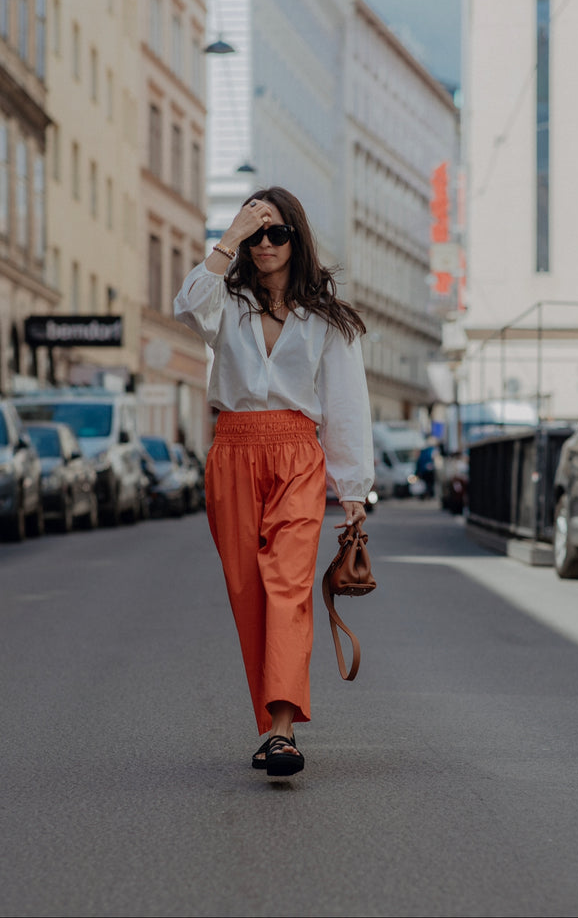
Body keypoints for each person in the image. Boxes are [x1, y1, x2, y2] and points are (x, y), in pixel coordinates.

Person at [173, 187, 373, 777]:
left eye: (275, 232)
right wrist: (227, 237)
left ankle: (283, 731)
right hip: (232, 451)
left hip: (296, 455)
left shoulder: (327, 318)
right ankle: (270, 724)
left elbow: (346, 405)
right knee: (249, 593)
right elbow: (186, 304)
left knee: (287, 586)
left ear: (297, 238)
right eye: (254, 233)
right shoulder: (224, 302)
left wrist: (353, 490)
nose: (264, 244)